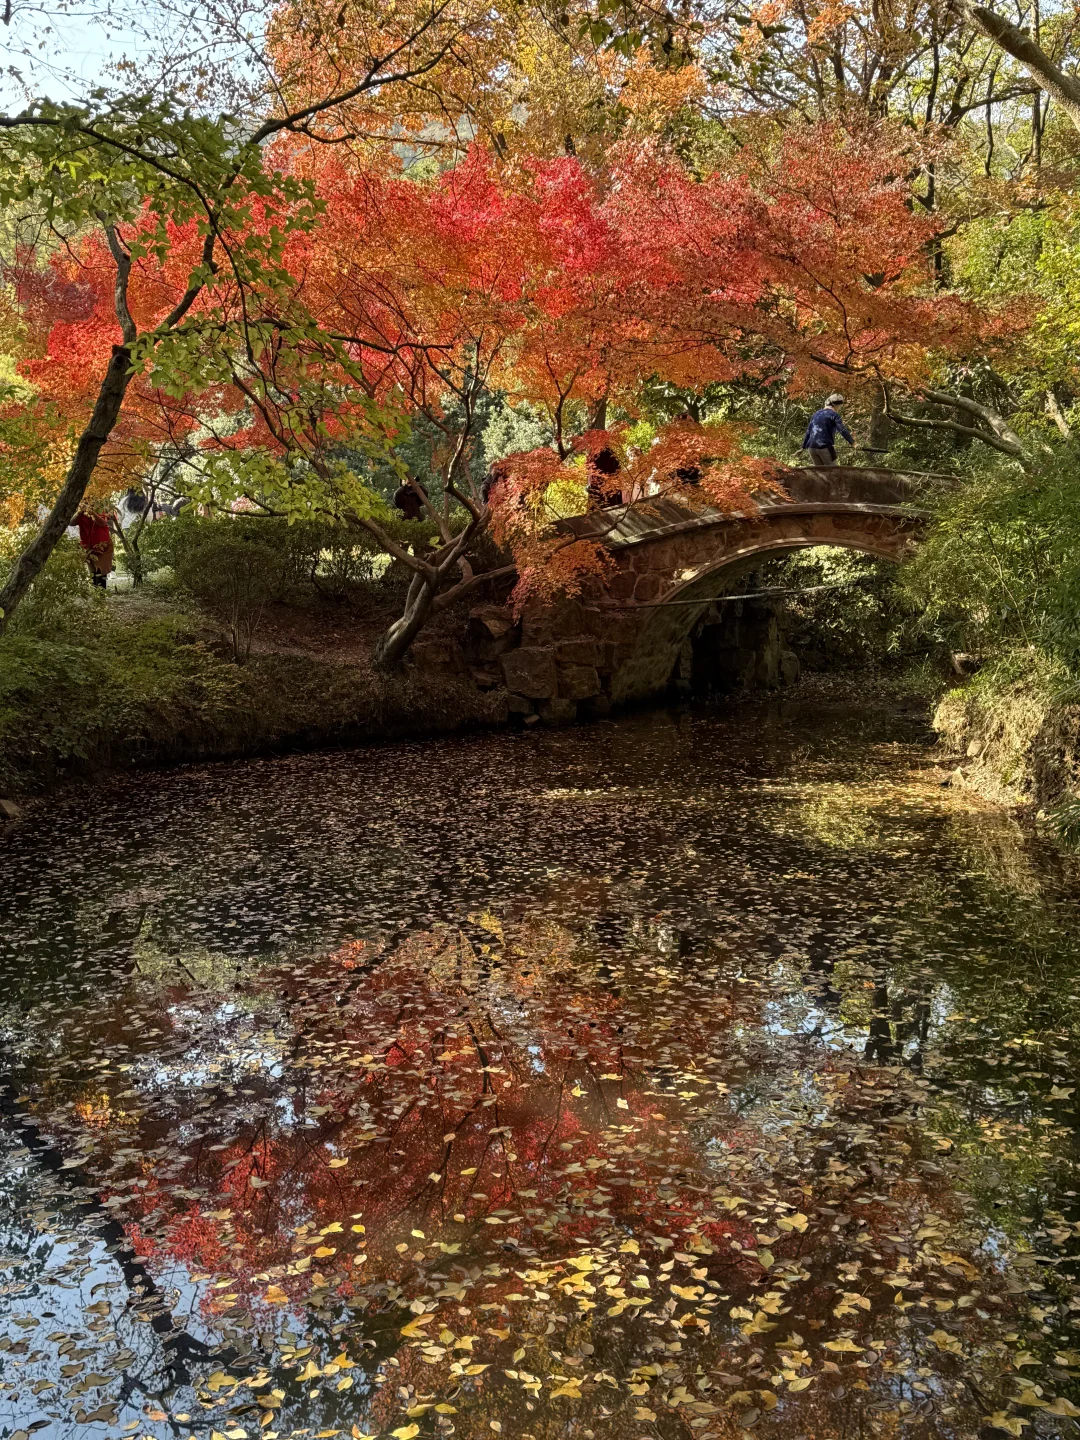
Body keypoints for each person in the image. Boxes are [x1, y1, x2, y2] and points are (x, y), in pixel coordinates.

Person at [801, 393, 855, 466]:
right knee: (834, 473)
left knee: (821, 474)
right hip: (824, 448)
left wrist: (803, 447)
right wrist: (853, 443)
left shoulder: (816, 414)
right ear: (837, 405)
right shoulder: (834, 415)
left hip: (812, 448)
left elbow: (808, 431)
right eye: (840, 406)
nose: (839, 408)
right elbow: (842, 430)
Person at [75, 506, 115, 589]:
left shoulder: (100, 507)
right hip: (89, 546)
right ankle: (95, 594)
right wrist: (78, 513)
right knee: (92, 572)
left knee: (101, 571)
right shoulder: (80, 511)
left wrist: (94, 514)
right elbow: (71, 522)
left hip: (103, 545)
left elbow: (103, 522)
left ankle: (101, 594)